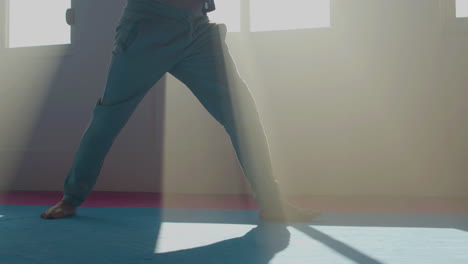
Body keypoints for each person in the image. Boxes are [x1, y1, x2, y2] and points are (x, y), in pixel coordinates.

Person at [40, 0, 320, 222]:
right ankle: (71, 198)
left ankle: (271, 204)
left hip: (198, 29)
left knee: (242, 114)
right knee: (110, 116)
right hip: (147, 25)